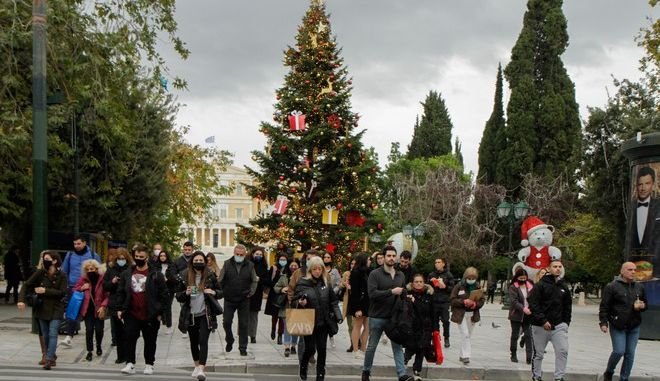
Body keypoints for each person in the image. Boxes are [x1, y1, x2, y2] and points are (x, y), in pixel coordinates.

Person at [361, 245, 414, 381]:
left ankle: (402, 375)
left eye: (393, 256)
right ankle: (366, 371)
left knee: (397, 346)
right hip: (377, 316)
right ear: (383, 257)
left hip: (394, 318)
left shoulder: (400, 274)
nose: (391, 258)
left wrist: (407, 296)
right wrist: (391, 291)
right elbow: (372, 294)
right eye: (388, 256)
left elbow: (402, 292)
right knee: (372, 346)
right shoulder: (375, 274)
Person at [116, 244, 169, 375]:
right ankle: (130, 363)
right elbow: (121, 292)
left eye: (142, 257)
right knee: (129, 337)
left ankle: (149, 364)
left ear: (147, 257)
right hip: (131, 312)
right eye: (137, 256)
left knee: (150, 340)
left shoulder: (156, 274)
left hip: (150, 313)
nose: (139, 258)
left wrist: (160, 312)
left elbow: (164, 294)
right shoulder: (127, 273)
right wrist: (119, 308)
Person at [293, 256, 343, 381]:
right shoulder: (302, 282)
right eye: (314, 269)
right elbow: (294, 300)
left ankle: (320, 374)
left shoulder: (326, 283)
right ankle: (303, 365)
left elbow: (333, 301)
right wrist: (301, 303)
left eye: (319, 269)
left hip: (324, 321)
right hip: (309, 321)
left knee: (322, 349)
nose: (317, 271)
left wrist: (338, 316)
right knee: (310, 348)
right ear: (310, 270)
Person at [175, 251, 222, 381]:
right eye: (196, 261)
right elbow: (178, 296)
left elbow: (221, 291)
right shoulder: (184, 275)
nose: (198, 263)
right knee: (194, 341)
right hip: (190, 315)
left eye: (201, 260)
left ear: (205, 262)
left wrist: (213, 291)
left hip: (205, 314)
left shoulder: (210, 275)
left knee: (203, 341)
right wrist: (186, 292)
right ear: (192, 262)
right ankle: (196, 365)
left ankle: (202, 368)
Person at [17, 251, 67, 370]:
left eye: (47, 258)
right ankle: (52, 354)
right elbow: (26, 285)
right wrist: (21, 300)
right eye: (44, 259)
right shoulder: (40, 273)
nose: (45, 261)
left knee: (53, 333)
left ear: (55, 261)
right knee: (46, 335)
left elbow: (63, 293)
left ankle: (49, 359)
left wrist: (46, 291)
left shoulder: (62, 275)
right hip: (41, 308)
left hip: (56, 308)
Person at [599, 262, 648, 381]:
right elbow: (605, 306)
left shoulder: (639, 287)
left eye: (634, 270)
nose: (633, 272)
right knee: (619, 351)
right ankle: (609, 371)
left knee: (630, 354)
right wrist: (604, 322)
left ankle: (624, 378)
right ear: (622, 271)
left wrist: (642, 305)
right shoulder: (612, 286)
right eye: (630, 269)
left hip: (634, 325)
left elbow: (646, 304)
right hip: (618, 324)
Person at [528, 259, 572, 381]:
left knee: (563, 350)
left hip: (558, 326)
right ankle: (536, 376)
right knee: (539, 354)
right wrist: (543, 320)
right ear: (549, 268)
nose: (558, 268)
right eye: (555, 266)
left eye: (560, 266)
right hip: (540, 326)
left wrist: (566, 323)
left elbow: (568, 306)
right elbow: (534, 304)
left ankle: (559, 377)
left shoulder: (563, 286)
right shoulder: (540, 285)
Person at [60, 235, 101, 348]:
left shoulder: (93, 255)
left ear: (84, 243)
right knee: (73, 312)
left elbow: (100, 272)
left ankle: (92, 337)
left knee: (90, 313)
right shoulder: (70, 255)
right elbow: (64, 271)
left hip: (90, 289)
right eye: (74, 244)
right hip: (74, 288)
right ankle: (69, 336)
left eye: (78, 243)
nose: (76, 246)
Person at [217, 244, 258, 356]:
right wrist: (220, 291)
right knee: (226, 322)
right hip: (229, 298)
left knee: (244, 324)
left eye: (241, 254)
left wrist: (251, 292)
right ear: (234, 253)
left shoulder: (250, 265)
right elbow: (220, 280)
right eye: (237, 254)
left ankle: (243, 348)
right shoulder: (227, 264)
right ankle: (229, 339)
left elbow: (254, 280)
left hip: (244, 299)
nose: (239, 256)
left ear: (244, 255)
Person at [73, 259, 109, 361]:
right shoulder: (83, 279)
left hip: (99, 309)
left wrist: (103, 305)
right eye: (87, 269)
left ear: (96, 269)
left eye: (92, 269)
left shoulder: (102, 279)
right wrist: (82, 288)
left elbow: (107, 295)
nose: (90, 271)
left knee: (99, 330)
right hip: (87, 309)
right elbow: (74, 289)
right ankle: (89, 351)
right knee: (89, 330)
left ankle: (98, 345)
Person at [450, 266, 486, 365]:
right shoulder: (459, 286)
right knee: (465, 334)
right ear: (465, 277)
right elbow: (452, 300)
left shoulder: (478, 287)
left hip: (472, 314)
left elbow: (482, 300)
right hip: (461, 314)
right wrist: (463, 301)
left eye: (473, 278)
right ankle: (466, 356)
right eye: (469, 278)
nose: (471, 280)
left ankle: (462, 355)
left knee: (468, 335)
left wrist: (475, 304)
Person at [629, 166, 660, 277]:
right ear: (636, 185)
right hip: (634, 269)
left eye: (647, 183)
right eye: (640, 184)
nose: (643, 188)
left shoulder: (659, 205)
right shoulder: (631, 208)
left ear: (653, 184)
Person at [405, 274, 437, 381]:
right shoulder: (408, 295)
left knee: (422, 349)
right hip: (412, 327)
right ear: (412, 283)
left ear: (424, 283)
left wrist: (436, 329)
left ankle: (417, 371)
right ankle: (403, 363)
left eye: (421, 282)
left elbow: (434, 313)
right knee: (411, 347)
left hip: (426, 327)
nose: (418, 283)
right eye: (416, 282)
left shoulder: (429, 295)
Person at [104, 247, 133, 363]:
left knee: (129, 331)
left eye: (123, 258)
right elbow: (105, 286)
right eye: (119, 258)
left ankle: (128, 355)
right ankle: (120, 356)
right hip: (115, 303)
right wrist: (112, 282)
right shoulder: (111, 270)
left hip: (128, 303)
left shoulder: (131, 269)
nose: (121, 260)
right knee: (118, 331)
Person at [274, 258, 300, 357]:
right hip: (286, 305)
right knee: (287, 326)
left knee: (295, 327)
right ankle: (287, 346)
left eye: (295, 266)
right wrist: (282, 289)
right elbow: (276, 287)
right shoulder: (284, 277)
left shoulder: (301, 277)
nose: (293, 268)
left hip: (297, 304)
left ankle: (294, 345)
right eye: (291, 266)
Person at [508, 268, 534, 364]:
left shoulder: (530, 285)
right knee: (515, 335)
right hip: (516, 314)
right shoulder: (513, 287)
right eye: (521, 278)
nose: (523, 280)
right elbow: (514, 301)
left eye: (524, 278)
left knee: (528, 335)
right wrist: (523, 308)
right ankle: (513, 354)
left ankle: (529, 357)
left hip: (528, 315)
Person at [427, 257, 454, 348]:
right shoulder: (431, 274)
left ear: (443, 264)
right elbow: (426, 287)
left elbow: (452, 288)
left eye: (439, 262)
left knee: (445, 320)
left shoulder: (448, 275)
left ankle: (446, 337)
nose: (437, 264)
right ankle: (436, 339)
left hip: (444, 301)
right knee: (434, 321)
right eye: (436, 262)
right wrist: (430, 283)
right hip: (434, 301)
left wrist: (444, 286)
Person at [348, 252, 371, 358]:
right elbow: (355, 292)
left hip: (367, 302)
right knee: (357, 326)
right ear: (364, 260)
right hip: (359, 303)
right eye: (369, 259)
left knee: (367, 327)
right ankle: (356, 350)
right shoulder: (356, 272)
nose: (370, 261)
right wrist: (357, 308)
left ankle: (363, 349)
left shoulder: (367, 272)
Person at [264, 253, 287, 344]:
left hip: (284, 295)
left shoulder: (287, 270)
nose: (283, 261)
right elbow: (268, 281)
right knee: (274, 316)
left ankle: (280, 335)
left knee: (282, 316)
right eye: (281, 259)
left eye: (284, 260)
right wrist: (276, 286)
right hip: (274, 295)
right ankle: (273, 329)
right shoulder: (274, 268)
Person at [247, 246, 268, 344]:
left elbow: (267, 281)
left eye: (260, 254)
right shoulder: (247, 264)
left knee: (254, 315)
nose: (259, 256)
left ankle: (253, 335)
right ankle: (243, 333)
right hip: (246, 292)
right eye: (257, 254)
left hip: (257, 294)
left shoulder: (264, 266)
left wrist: (259, 279)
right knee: (244, 314)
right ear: (252, 254)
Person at [156, 250, 175, 335]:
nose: (162, 257)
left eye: (164, 256)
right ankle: (156, 325)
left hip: (169, 289)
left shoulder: (171, 266)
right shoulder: (156, 266)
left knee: (168, 307)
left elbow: (174, 278)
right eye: (161, 256)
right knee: (158, 307)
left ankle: (169, 326)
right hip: (158, 289)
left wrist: (168, 279)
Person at [340, 258, 356, 352]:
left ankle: (356, 341)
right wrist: (345, 284)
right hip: (348, 301)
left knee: (355, 324)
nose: (352, 265)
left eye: (354, 264)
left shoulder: (358, 274)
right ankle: (352, 343)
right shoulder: (347, 273)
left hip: (355, 302)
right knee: (350, 325)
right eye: (351, 264)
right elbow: (341, 285)